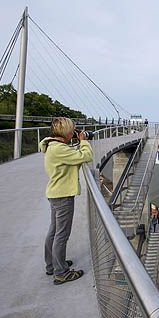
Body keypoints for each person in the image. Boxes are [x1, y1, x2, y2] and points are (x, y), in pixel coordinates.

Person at [40, 117, 93, 285]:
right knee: (61, 234)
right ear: (66, 132)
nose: (74, 133)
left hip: (56, 194)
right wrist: (83, 141)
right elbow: (87, 156)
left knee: (54, 231)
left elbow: (72, 156)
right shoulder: (59, 149)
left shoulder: (53, 146)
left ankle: (52, 265)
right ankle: (61, 272)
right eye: (73, 130)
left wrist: (77, 142)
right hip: (62, 196)